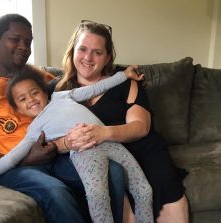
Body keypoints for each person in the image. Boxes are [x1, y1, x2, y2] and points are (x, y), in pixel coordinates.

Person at [0, 14, 130, 223]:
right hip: (13, 166)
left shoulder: (42, 78)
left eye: (28, 42)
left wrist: (125, 81)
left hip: (58, 156)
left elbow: (78, 91)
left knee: (114, 171)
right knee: (56, 192)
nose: (23, 46)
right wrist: (26, 159)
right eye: (15, 39)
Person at [0, 65, 153, 223]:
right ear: (18, 109)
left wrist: (123, 76)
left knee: (144, 190)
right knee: (98, 196)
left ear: (44, 92)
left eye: (34, 93)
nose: (31, 100)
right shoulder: (34, 131)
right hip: (85, 152)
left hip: (109, 140)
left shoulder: (61, 97)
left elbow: (94, 89)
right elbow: (12, 157)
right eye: (23, 99)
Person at [54, 20, 189, 223]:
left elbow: (141, 127)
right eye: (82, 49)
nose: (88, 58)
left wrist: (102, 133)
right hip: (101, 157)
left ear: (107, 57)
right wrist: (67, 143)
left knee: (168, 195)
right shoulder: (57, 91)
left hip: (143, 150)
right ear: (73, 51)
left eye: (97, 52)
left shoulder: (125, 81)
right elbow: (45, 141)